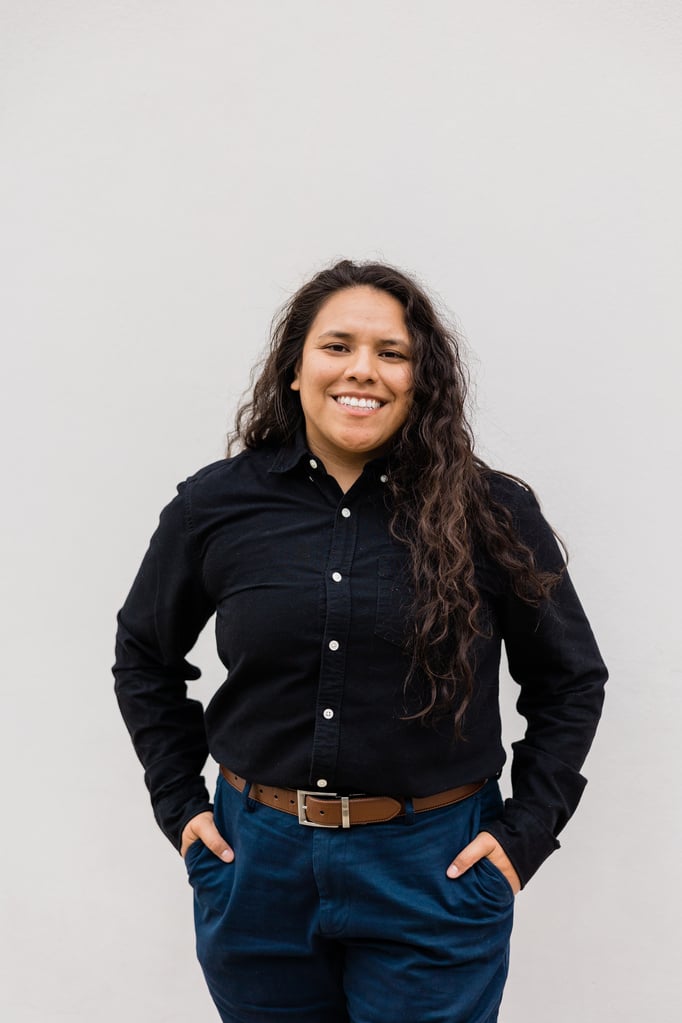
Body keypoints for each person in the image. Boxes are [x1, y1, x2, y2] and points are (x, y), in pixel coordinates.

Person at [113, 259, 607, 1023]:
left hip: (432, 868)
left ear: (421, 379)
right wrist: (179, 804)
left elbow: (571, 678)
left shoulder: (493, 511)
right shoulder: (215, 505)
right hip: (257, 867)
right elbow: (143, 655)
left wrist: (526, 833)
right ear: (295, 369)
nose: (363, 371)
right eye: (337, 346)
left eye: (392, 352)